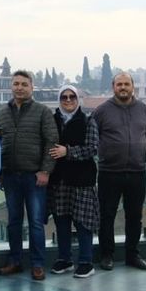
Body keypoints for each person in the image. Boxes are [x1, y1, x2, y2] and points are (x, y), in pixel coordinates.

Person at [0, 70, 58, 280]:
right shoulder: (3, 113)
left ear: (32, 87)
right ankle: (14, 261)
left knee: (36, 222)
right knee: (13, 221)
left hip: (34, 177)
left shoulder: (42, 112)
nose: (19, 88)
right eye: (16, 84)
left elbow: (51, 142)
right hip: (10, 176)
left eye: (24, 84)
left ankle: (37, 264)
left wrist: (45, 171)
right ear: (11, 86)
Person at [93, 73, 146, 271]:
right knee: (107, 215)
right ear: (113, 87)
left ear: (132, 86)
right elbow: (92, 137)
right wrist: (108, 153)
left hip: (137, 172)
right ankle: (107, 255)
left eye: (126, 84)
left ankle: (133, 255)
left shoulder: (145, 110)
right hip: (109, 172)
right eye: (119, 84)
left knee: (134, 216)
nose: (123, 87)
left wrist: (137, 152)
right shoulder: (101, 111)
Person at [49, 85, 100, 278]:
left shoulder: (88, 121)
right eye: (64, 97)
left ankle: (86, 261)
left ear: (78, 99)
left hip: (82, 180)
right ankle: (65, 259)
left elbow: (93, 148)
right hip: (59, 180)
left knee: (83, 222)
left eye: (72, 97)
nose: (68, 100)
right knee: (61, 221)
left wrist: (68, 151)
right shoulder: (52, 120)